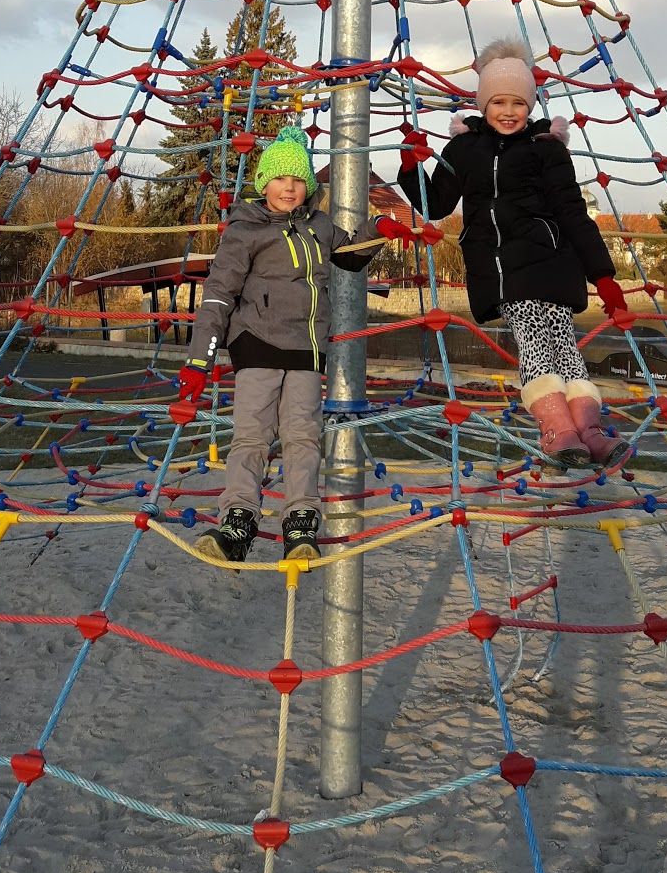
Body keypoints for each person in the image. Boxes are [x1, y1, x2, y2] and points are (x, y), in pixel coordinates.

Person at [395, 38, 631, 470]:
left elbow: (573, 213)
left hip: (553, 264)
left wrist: (603, 276)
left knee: (565, 346)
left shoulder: (546, 149)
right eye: (498, 102)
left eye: (517, 103)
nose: (508, 111)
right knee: (535, 342)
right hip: (503, 268)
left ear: (530, 104)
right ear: (483, 105)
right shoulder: (464, 149)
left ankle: (590, 431)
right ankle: (558, 429)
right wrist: (411, 168)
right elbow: (437, 205)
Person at [175, 124, 389, 564]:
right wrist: (200, 358)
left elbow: (350, 256)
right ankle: (238, 521)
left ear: (308, 186)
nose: (288, 188)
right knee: (252, 436)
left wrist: (380, 227)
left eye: (297, 180)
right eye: (279, 179)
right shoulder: (246, 229)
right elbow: (219, 293)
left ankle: (301, 523)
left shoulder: (319, 225)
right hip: (257, 344)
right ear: (263, 183)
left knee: (303, 437)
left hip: (307, 350)